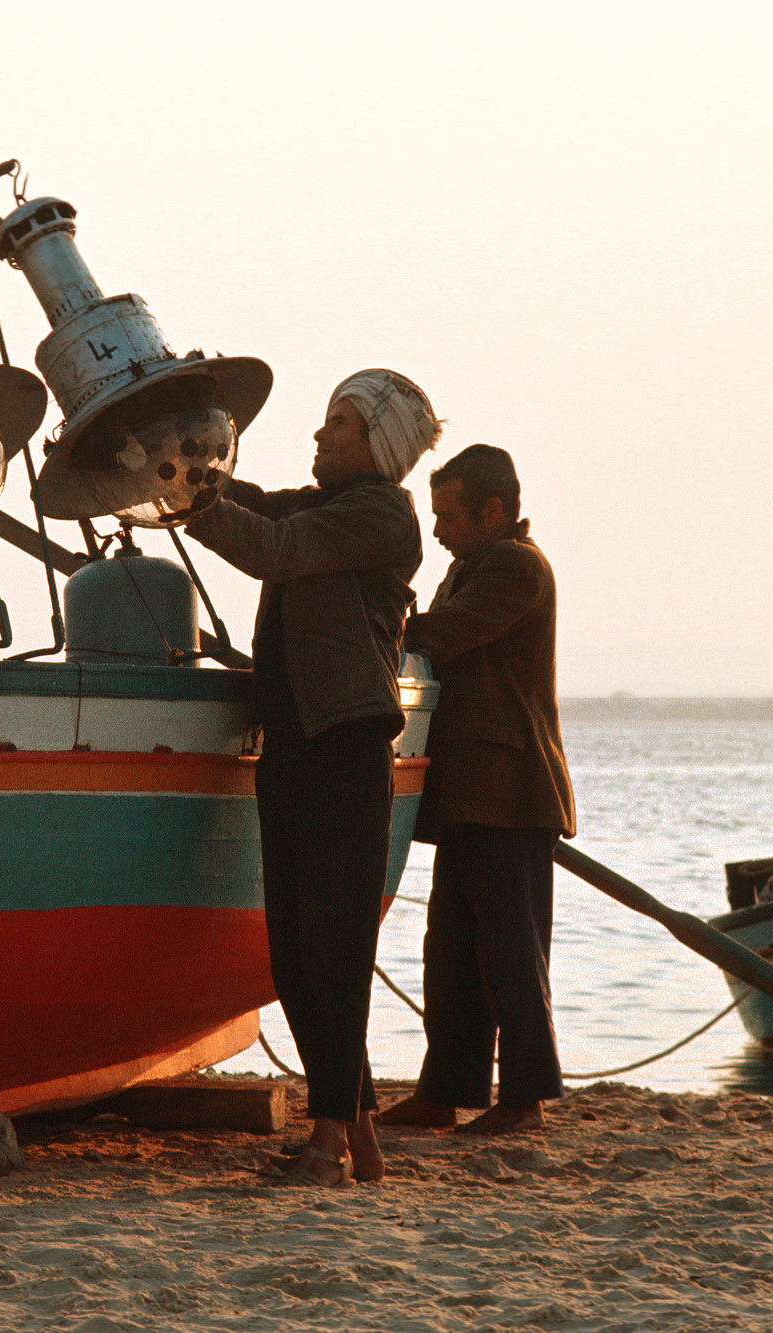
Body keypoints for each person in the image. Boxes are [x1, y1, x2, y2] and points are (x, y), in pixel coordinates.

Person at [184, 368, 439, 1185]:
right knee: (297, 955)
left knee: (330, 950)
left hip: (345, 752)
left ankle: (328, 1141)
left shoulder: (380, 515)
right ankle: (358, 1137)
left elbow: (275, 547)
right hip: (294, 746)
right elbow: (257, 505)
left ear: (378, 446)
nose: (320, 434)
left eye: (339, 423)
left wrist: (188, 501)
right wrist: (190, 470)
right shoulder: (326, 504)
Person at [378, 444, 575, 1137]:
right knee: (452, 951)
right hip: (469, 792)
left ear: (494, 510)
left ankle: (524, 1096)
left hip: (509, 792)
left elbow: (444, 637)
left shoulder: (516, 568)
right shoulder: (471, 567)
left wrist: (368, 617)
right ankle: (446, 1089)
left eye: (450, 515)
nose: (438, 531)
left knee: (511, 949)